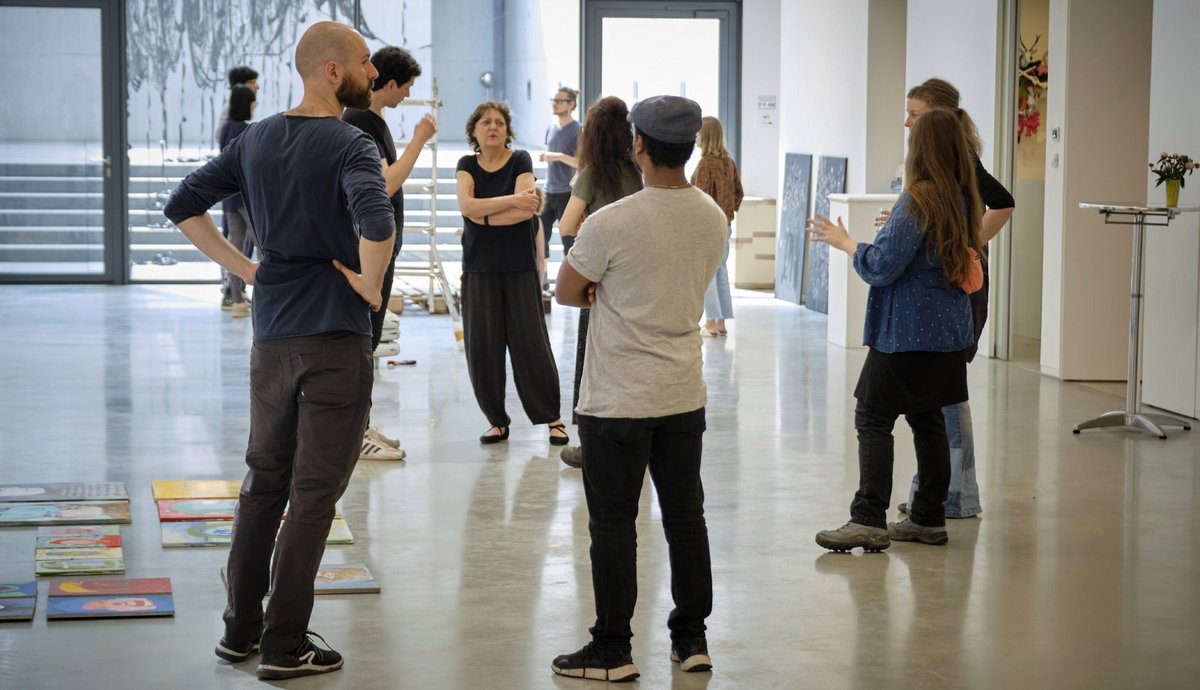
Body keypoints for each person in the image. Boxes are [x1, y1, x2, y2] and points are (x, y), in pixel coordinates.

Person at [164, 21, 395, 679]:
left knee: (264, 483)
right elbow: (376, 220)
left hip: (272, 339)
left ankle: (239, 632)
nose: (371, 75)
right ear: (331, 71)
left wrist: (248, 268)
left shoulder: (256, 138)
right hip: (335, 340)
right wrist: (371, 284)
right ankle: (284, 644)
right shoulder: (351, 143)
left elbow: (183, 205)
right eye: (362, 64)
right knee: (315, 494)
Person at [552, 95, 726, 681]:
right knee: (685, 517)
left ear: (641, 146)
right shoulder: (711, 216)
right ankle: (691, 638)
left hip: (618, 398)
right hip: (682, 392)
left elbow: (568, 291)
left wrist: (607, 290)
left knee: (613, 524)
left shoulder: (611, 221)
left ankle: (612, 649)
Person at [809, 108, 985, 552]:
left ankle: (868, 517)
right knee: (928, 419)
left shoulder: (918, 200)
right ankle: (927, 517)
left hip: (908, 332)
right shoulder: (964, 198)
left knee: (872, 414)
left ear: (919, 150)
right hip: (948, 333)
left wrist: (847, 242)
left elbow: (883, 265)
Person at [882, 78, 1016, 520]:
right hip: (953, 280)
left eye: (914, 114)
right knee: (939, 393)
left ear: (937, 119)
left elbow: (1003, 202)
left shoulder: (961, 161)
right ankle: (939, 491)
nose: (906, 122)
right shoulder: (945, 163)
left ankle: (955, 495)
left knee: (946, 393)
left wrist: (966, 240)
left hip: (959, 282)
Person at [342, 45, 437, 462]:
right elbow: (386, 184)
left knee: (371, 339)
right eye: (406, 88)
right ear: (390, 84)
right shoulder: (361, 120)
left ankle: (359, 425)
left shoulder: (371, 119)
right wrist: (418, 140)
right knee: (363, 340)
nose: (405, 95)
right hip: (369, 249)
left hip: (380, 246)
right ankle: (353, 433)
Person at [455, 101, 568, 446]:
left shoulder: (520, 160)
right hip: (479, 268)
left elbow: (526, 212)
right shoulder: (465, 165)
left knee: (530, 344)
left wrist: (483, 216)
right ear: (474, 131)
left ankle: (553, 419)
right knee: (483, 347)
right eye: (486, 122)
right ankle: (497, 421)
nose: (493, 127)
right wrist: (505, 204)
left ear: (507, 131)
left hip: (518, 267)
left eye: (499, 122)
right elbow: (466, 207)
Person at [554, 96, 643, 469]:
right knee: (630, 361)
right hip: (634, 278)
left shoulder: (592, 176)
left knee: (591, 363)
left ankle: (592, 446)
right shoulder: (636, 173)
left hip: (598, 279)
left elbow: (567, 225)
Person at [690, 116, 743, 336]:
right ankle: (721, 323)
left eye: (698, 133)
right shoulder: (728, 162)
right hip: (726, 225)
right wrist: (728, 213)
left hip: (708, 226)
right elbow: (739, 193)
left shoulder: (705, 164)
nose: (695, 137)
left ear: (706, 136)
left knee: (708, 274)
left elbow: (698, 196)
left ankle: (710, 322)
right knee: (721, 272)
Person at [217, 84, 257, 318]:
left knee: (235, 248)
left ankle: (237, 301)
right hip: (245, 196)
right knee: (262, 245)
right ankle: (266, 296)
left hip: (229, 197)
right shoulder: (244, 130)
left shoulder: (225, 128)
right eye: (253, 104)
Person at [538, 87, 581, 273]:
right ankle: (543, 281)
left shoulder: (578, 130)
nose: (554, 104)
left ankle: (570, 280)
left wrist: (555, 156)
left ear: (571, 104)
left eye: (559, 101)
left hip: (567, 192)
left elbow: (580, 162)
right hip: (549, 190)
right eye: (553, 100)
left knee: (569, 240)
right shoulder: (550, 128)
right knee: (540, 237)